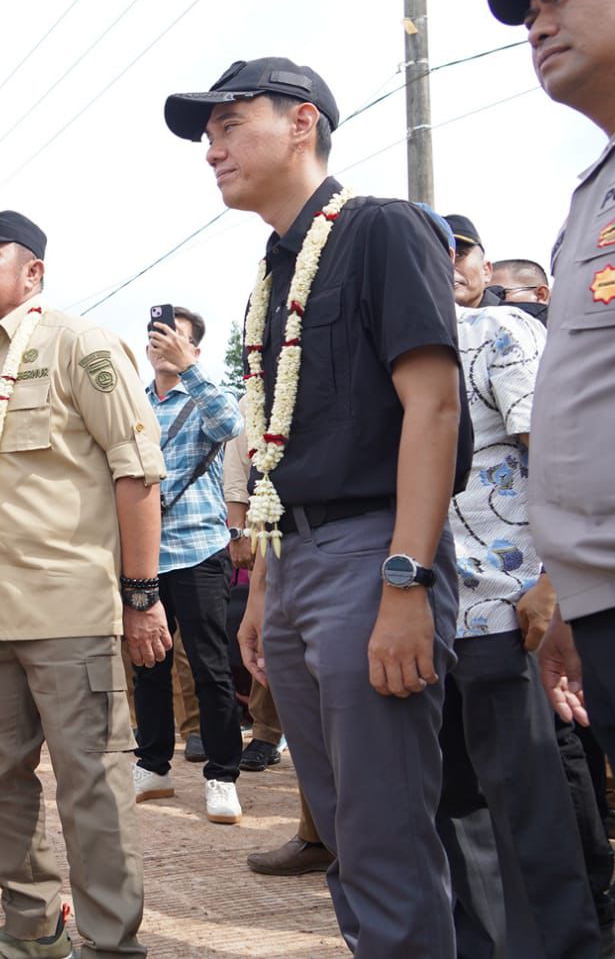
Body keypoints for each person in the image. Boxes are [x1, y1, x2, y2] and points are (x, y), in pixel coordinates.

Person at [165, 57, 468, 957]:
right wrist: (265, 588)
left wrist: (407, 580)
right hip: (295, 562)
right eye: (208, 134)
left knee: (384, 831)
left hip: (374, 552)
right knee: (340, 825)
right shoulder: (275, 269)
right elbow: (277, 443)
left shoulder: (382, 229)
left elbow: (434, 407)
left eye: (229, 124)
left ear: (301, 123)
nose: (212, 148)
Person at [0, 206, 168, 959]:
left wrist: (142, 596)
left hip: (73, 613)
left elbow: (136, 471)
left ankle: (111, 942)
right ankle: (33, 927)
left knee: (91, 785)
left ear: (34, 271)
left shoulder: (79, 345)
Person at [488, 0, 615, 947]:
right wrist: (573, 598)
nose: (539, 20)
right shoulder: (604, 177)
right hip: (611, 595)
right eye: (531, 6)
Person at [435, 250, 611, 955]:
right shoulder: (379, 357)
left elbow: (558, 453)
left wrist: (554, 581)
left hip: (507, 608)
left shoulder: (496, 331)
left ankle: (577, 942)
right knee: (455, 803)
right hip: (423, 613)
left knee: (531, 802)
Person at [131, 306, 245, 824]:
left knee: (210, 668)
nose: (164, 343)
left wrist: (190, 371)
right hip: (142, 556)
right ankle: (153, 765)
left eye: (176, 337)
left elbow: (231, 424)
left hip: (198, 550)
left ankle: (222, 775)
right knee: (147, 665)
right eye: (158, 335)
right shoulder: (133, 403)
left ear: (195, 349)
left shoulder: (206, 396)